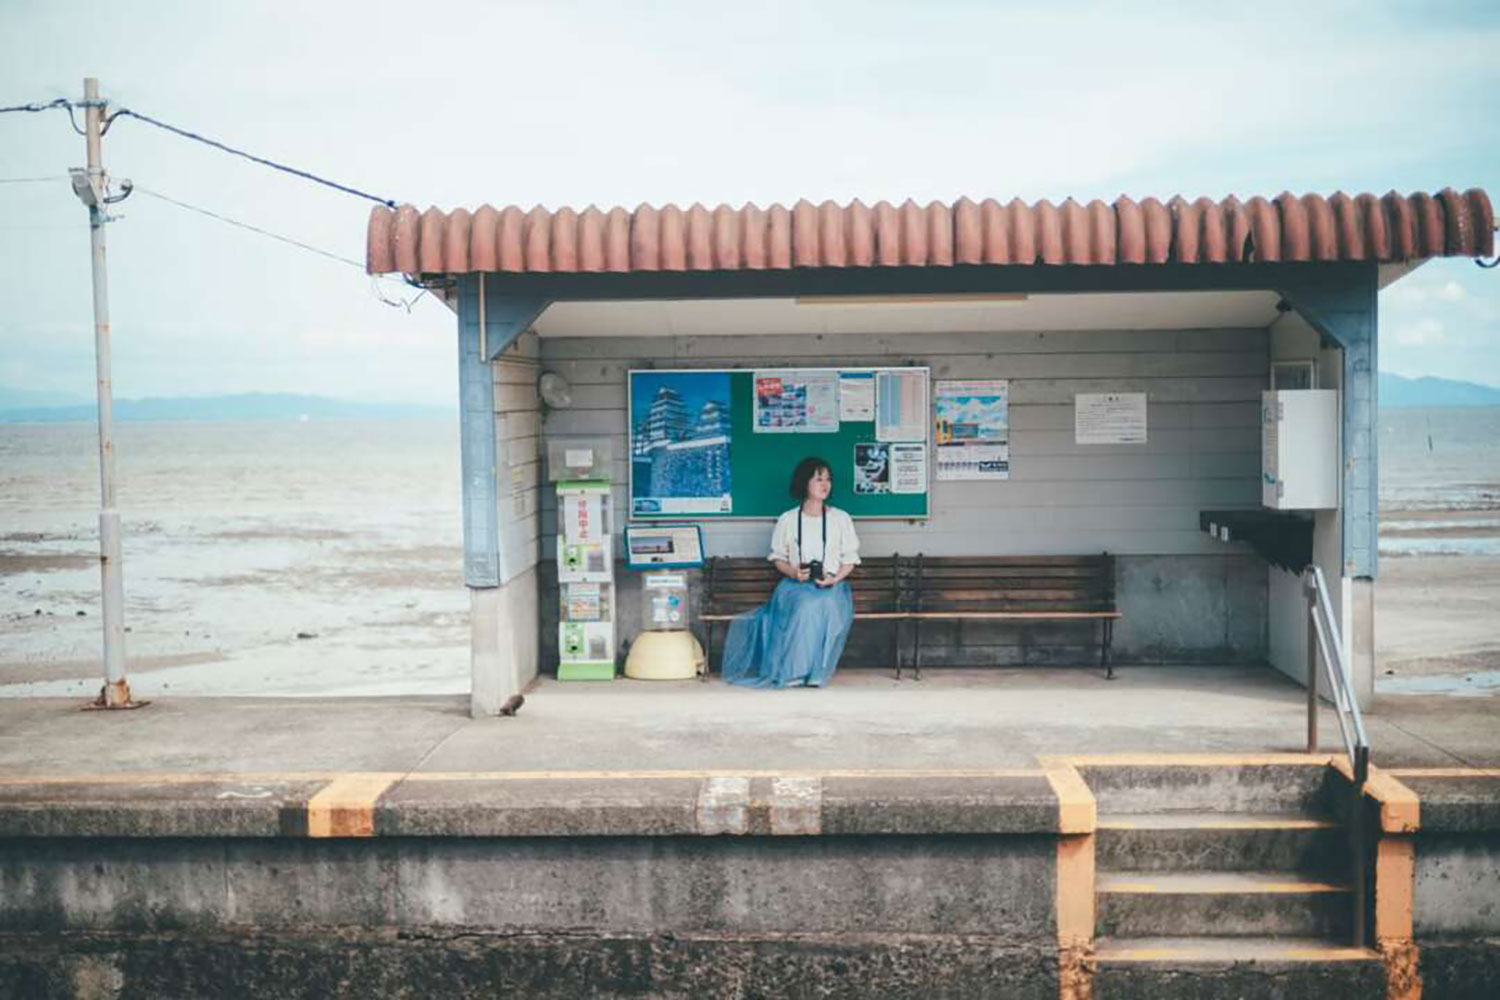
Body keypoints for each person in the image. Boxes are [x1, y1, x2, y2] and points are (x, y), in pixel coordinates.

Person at [722, 456, 861, 688]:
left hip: (832, 586)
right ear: (804, 483)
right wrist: (794, 573)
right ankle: (795, 671)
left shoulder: (840, 518)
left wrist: (835, 578)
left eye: (828, 479)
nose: (825, 484)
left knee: (823, 605)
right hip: (795, 585)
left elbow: (850, 558)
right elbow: (778, 558)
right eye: (818, 479)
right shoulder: (787, 519)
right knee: (804, 605)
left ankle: (816, 672)